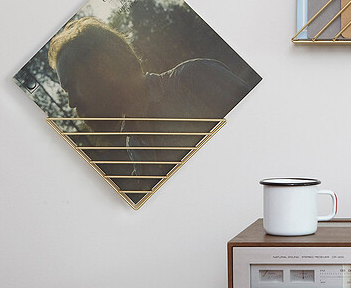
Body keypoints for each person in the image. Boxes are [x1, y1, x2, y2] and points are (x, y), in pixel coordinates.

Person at [48, 17, 259, 191]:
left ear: (103, 66)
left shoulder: (194, 79)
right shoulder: (134, 144)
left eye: (71, 87)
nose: (72, 103)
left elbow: (264, 127)